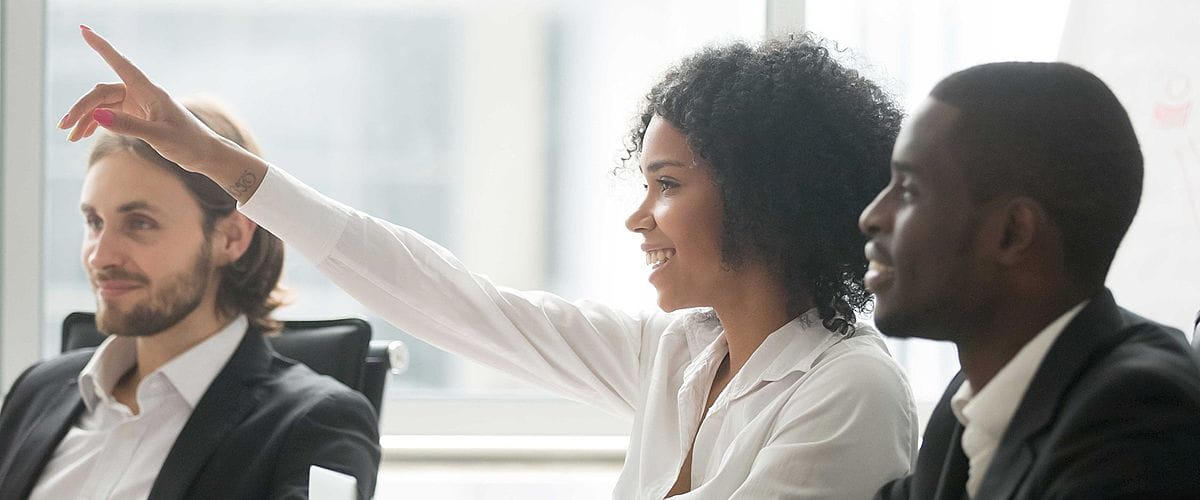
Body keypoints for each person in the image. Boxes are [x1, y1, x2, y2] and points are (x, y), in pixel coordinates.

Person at [59, 26, 917, 498]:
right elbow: (454, 302)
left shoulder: (847, 389)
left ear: (765, 194)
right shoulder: (685, 355)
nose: (636, 216)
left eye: (665, 186)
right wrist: (221, 163)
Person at [0, 100, 381, 500]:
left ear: (231, 237)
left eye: (140, 223)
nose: (100, 256)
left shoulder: (315, 424)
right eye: (95, 223)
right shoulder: (38, 390)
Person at [861, 62, 1200, 499]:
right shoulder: (969, 401)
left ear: (1013, 233)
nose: (871, 216)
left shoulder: (1139, 417)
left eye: (908, 190)